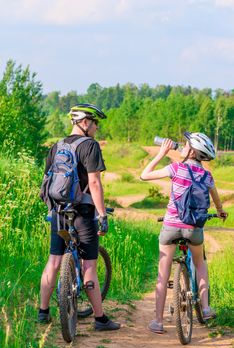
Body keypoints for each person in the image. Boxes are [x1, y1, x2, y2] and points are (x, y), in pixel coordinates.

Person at [38, 103, 120, 331]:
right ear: (85, 122)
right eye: (95, 124)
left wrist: (52, 209)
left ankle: (43, 312)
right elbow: (94, 183)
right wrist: (102, 214)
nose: (96, 129)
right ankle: (100, 319)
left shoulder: (57, 146)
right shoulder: (90, 146)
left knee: (54, 261)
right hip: (83, 214)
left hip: (58, 212)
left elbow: (46, 180)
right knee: (89, 266)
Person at [140, 132, 228, 334]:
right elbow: (216, 200)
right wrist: (221, 211)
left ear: (190, 150)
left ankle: (158, 322)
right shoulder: (207, 176)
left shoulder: (175, 168)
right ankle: (205, 308)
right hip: (194, 228)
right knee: (200, 264)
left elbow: (144, 175)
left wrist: (162, 153)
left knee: (163, 275)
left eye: (186, 144)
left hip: (170, 226)